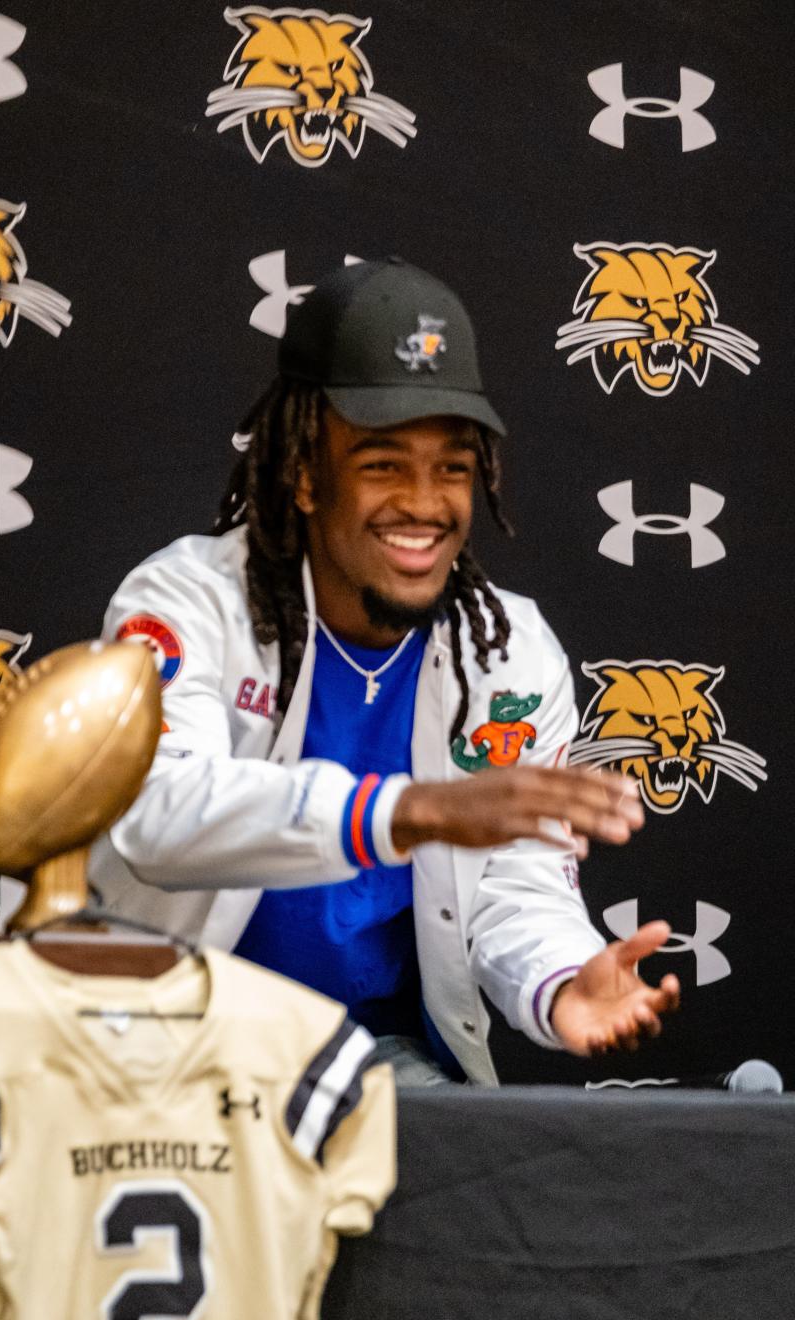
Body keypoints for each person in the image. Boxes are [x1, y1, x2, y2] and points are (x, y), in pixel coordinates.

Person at [90, 257, 679, 1085]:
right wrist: (414, 810)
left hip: (381, 1065)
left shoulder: (512, 649)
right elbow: (155, 812)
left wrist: (562, 983)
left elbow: (517, 885)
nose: (425, 502)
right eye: (382, 465)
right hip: (174, 1055)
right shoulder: (186, 600)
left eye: (453, 467)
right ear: (303, 472)